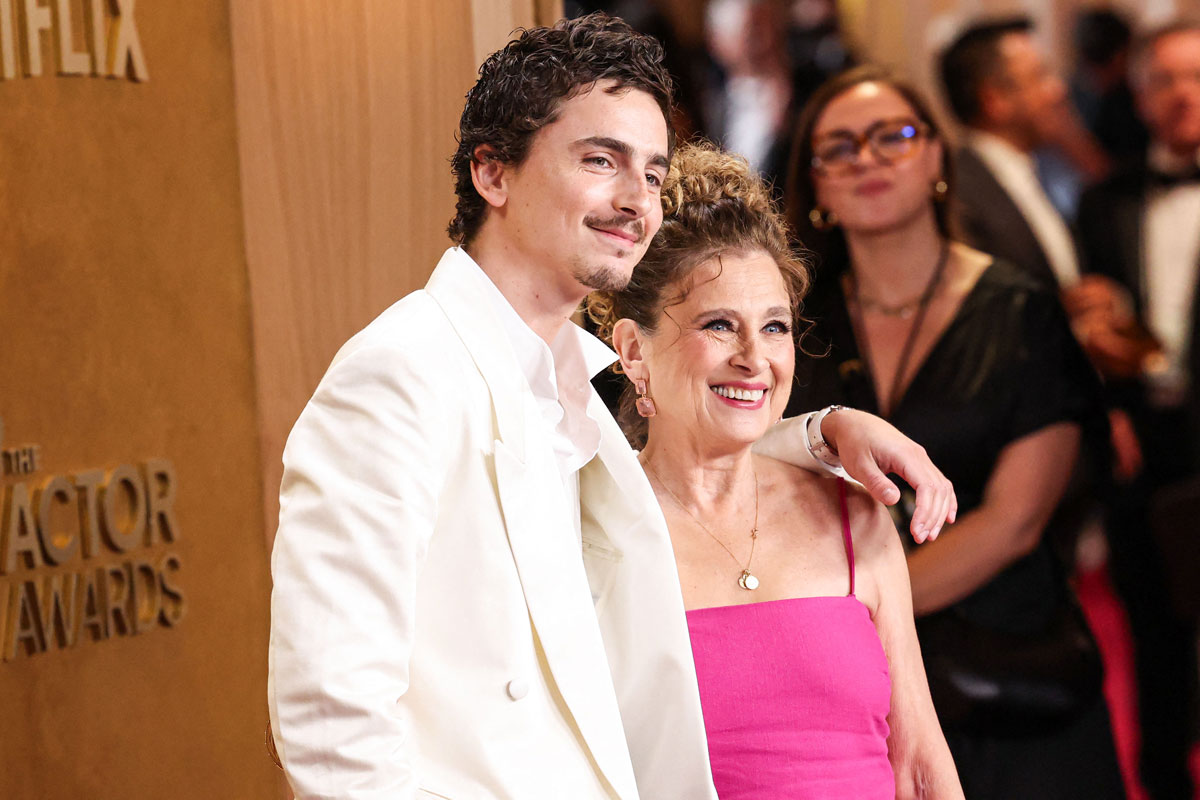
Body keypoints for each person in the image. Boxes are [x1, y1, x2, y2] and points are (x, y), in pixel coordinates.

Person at [267, 15, 956, 800]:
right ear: (492, 174)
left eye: (655, 175)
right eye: (601, 161)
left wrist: (823, 432)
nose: (637, 201)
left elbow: (691, 461)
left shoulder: (574, 390)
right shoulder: (399, 374)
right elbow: (330, 722)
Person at [784, 65, 1125, 799]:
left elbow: (1015, 520)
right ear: (814, 186)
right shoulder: (793, 326)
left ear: (938, 157)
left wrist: (852, 612)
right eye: (837, 148)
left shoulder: (1019, 309)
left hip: (1006, 670)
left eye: (892, 137)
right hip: (846, 693)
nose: (866, 159)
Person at [589, 141, 964, 799]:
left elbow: (921, 765)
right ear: (633, 348)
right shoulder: (591, 535)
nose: (753, 359)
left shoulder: (854, 516)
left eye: (774, 328)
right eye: (718, 324)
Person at [1076, 19, 1200, 799]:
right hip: (1141, 447)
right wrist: (1105, 402)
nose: (1182, 94)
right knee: (1153, 642)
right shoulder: (1104, 201)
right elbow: (1085, 323)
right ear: (1140, 93)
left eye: (1195, 77)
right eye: (1164, 81)